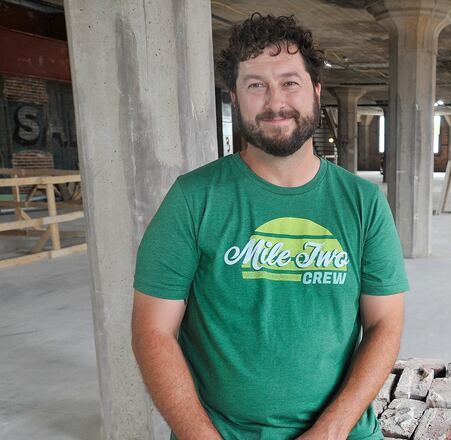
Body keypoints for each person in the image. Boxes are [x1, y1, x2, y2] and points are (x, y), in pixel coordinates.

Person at [131, 13, 408, 440]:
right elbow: (153, 330)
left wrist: (331, 431)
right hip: (221, 431)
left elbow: (385, 322)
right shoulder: (193, 198)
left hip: (343, 432)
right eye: (255, 84)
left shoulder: (363, 203)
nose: (275, 101)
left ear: (315, 91)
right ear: (235, 97)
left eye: (289, 82)